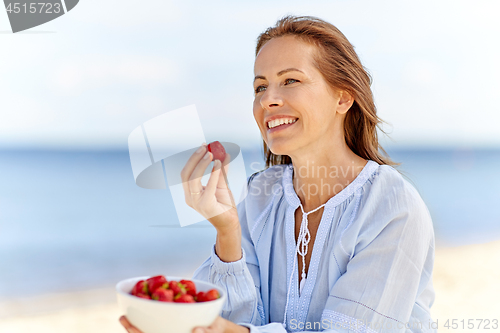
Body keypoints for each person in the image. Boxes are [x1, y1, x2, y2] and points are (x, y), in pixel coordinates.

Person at [120, 15, 437, 333]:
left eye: (290, 81)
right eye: (260, 86)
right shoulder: (261, 195)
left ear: (343, 97)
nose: (267, 100)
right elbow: (228, 320)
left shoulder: (392, 207)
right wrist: (228, 231)